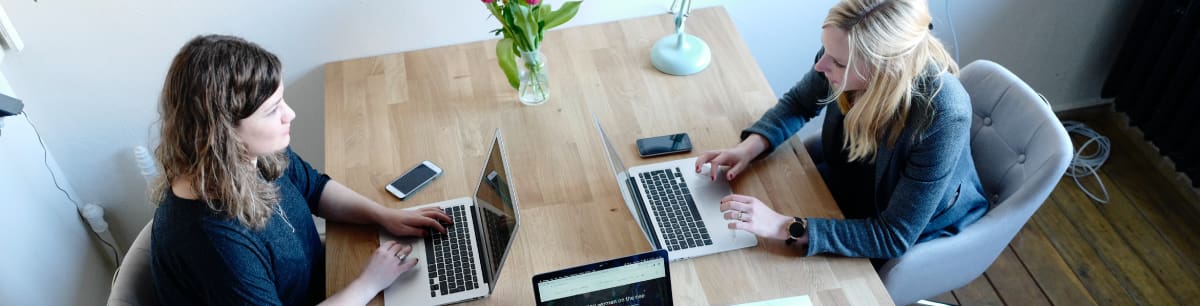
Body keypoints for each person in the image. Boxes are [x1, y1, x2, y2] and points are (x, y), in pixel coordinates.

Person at [149, 34, 451, 305]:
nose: (289, 114)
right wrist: (369, 283)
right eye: (272, 111)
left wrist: (384, 215)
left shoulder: (251, 155)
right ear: (224, 133)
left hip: (329, 281)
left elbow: (315, 189)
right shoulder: (215, 242)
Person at [695, 0, 989, 263]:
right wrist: (748, 148)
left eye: (837, 62)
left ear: (886, 68)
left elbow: (894, 234)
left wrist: (782, 225)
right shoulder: (843, 49)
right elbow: (799, 102)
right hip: (851, 177)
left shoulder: (943, 114)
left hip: (904, 223)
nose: (821, 65)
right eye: (826, 52)